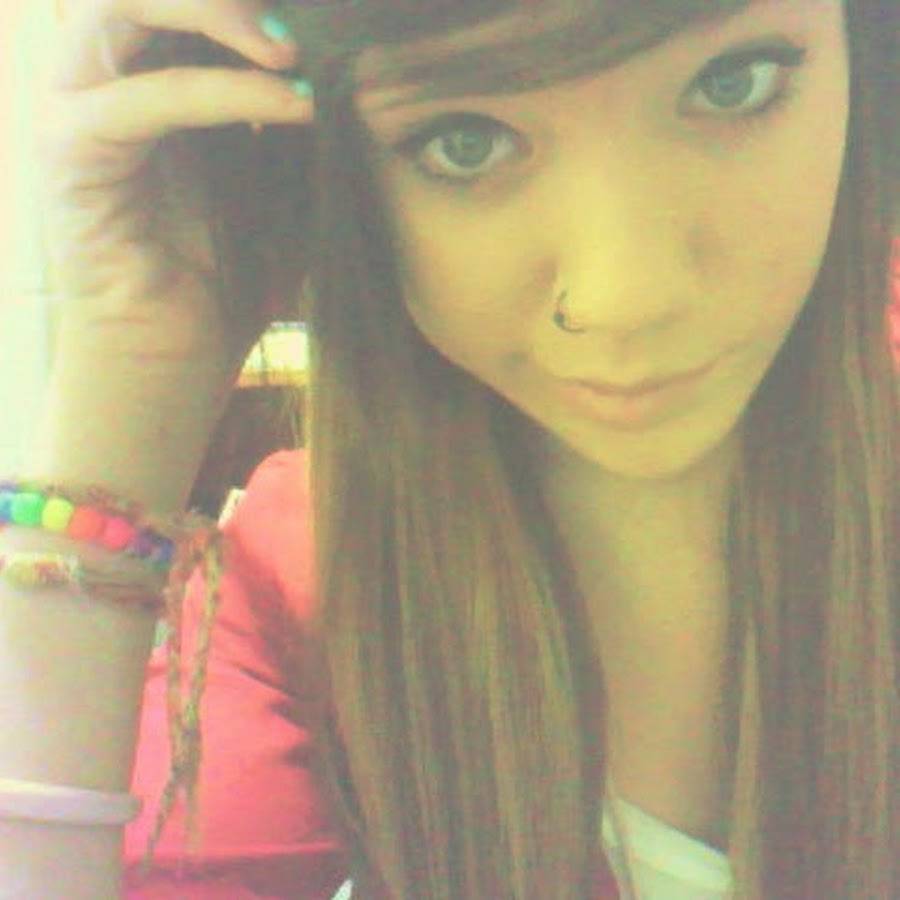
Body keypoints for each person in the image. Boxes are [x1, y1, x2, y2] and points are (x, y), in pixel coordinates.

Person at [1, 0, 898, 897]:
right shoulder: (299, 585)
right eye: (465, 144)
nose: (626, 296)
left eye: (732, 84)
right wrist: (130, 351)